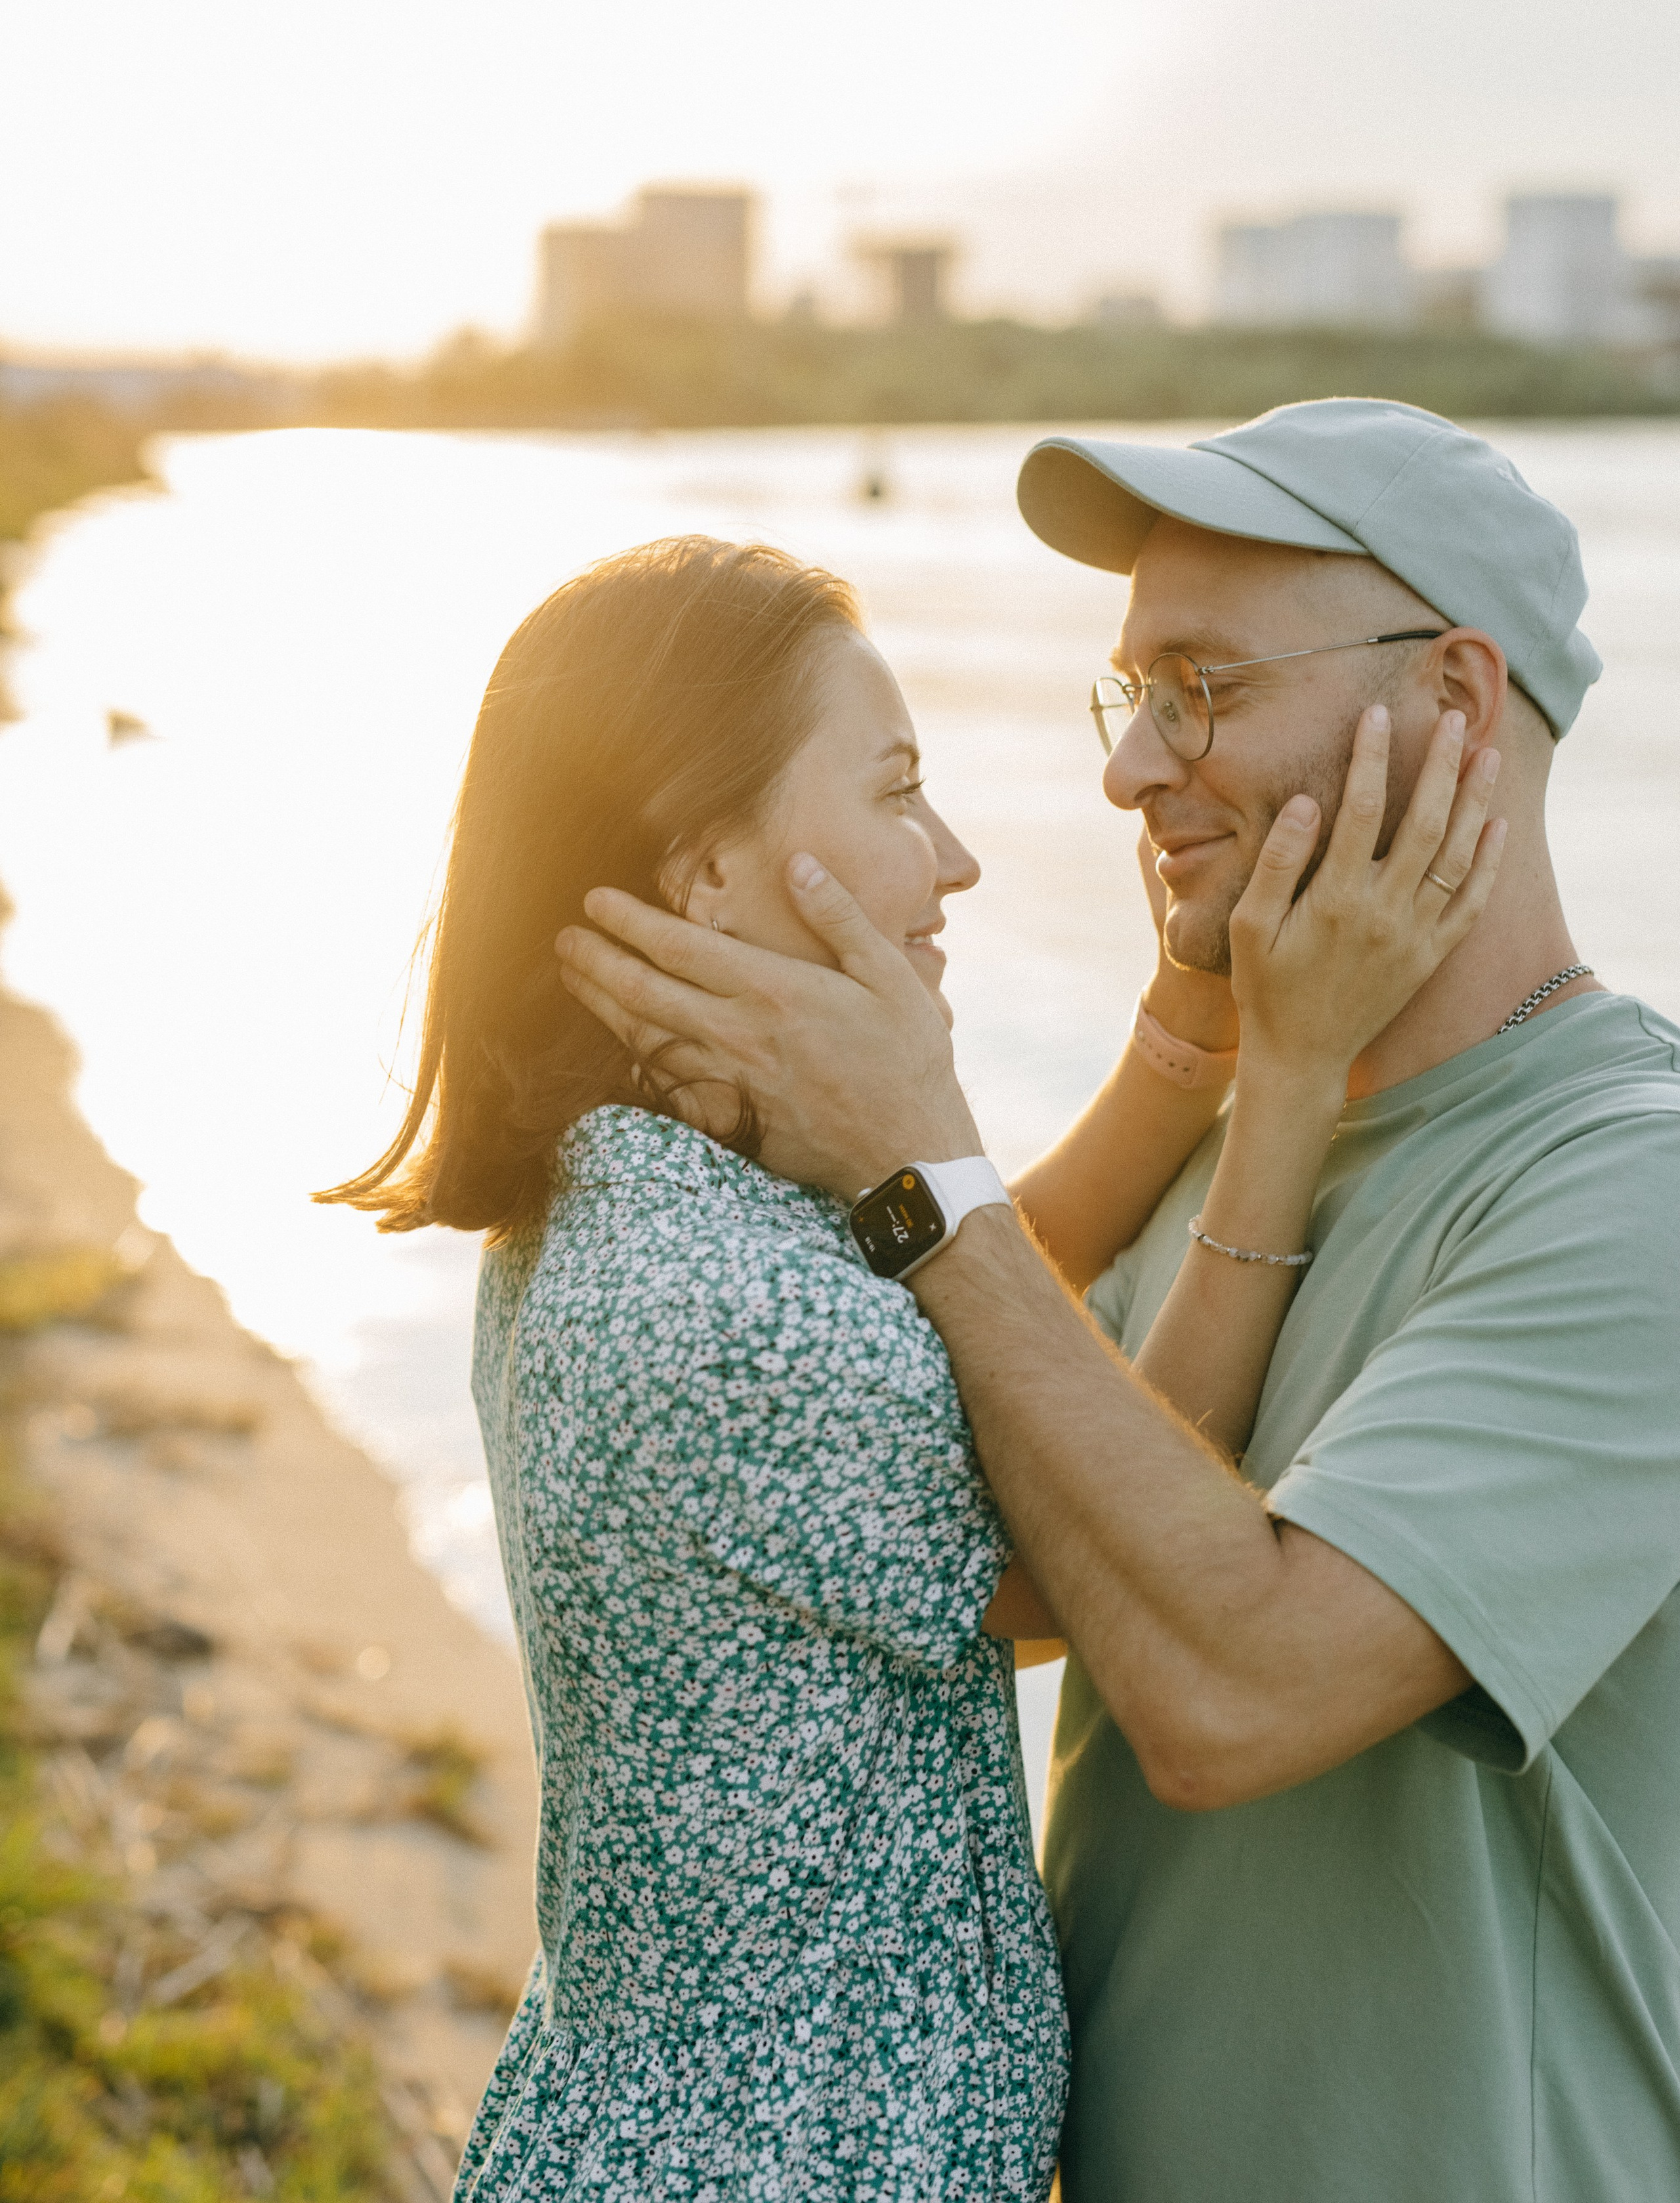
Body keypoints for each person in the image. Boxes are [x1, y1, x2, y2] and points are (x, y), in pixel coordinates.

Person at [556, 401, 1680, 2203]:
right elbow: (975, 1567)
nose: (1130, 770)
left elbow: (1232, 1692)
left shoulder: (1633, 1185)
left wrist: (928, 1165)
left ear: (1457, 702)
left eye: (1206, 686)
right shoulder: (1253, 1131)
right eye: (1129, 693)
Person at [323, 524, 1498, 2202]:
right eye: (891, 793)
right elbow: (1099, 1551)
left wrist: (1191, 1024)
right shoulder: (715, 1309)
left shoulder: (670, 1192)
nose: (952, 860)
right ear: (701, 871)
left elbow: (975, 1287)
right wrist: (1293, 1084)